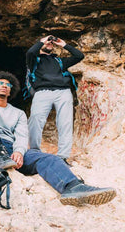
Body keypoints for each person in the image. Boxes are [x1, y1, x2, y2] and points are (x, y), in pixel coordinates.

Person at [0, 71, 116, 206]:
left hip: (9, 149)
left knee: (49, 159)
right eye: (0, 83)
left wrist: (19, 152)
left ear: (11, 91)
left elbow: (22, 136)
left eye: (8, 85)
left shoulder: (18, 113)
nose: (5, 86)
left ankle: (73, 187)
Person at [26, 35, 84, 163]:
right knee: (35, 119)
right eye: (48, 43)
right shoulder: (34, 60)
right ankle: (34, 151)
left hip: (63, 92)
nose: (50, 44)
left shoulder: (59, 61)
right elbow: (30, 52)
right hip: (42, 92)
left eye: (51, 44)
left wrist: (63, 45)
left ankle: (63, 157)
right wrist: (42, 41)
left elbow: (79, 56)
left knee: (65, 123)